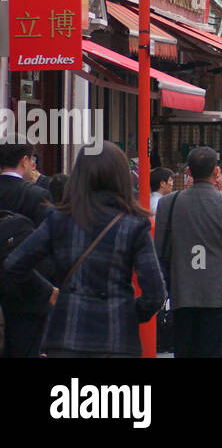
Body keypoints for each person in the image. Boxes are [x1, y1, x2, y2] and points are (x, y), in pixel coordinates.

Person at [4, 144, 165, 358]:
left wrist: (48, 293)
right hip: (117, 338)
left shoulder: (59, 220)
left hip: (68, 333)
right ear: (120, 177)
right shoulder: (133, 225)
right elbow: (155, 294)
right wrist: (126, 312)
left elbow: (14, 264)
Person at [154, 146, 222, 358]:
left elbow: (160, 250)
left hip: (181, 291)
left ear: (188, 172)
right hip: (217, 293)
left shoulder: (168, 204)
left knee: (184, 350)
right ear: (216, 172)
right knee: (212, 351)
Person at [0, 142, 53, 357]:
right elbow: (48, 247)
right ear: (24, 160)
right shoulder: (37, 195)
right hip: (27, 294)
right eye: (33, 160)